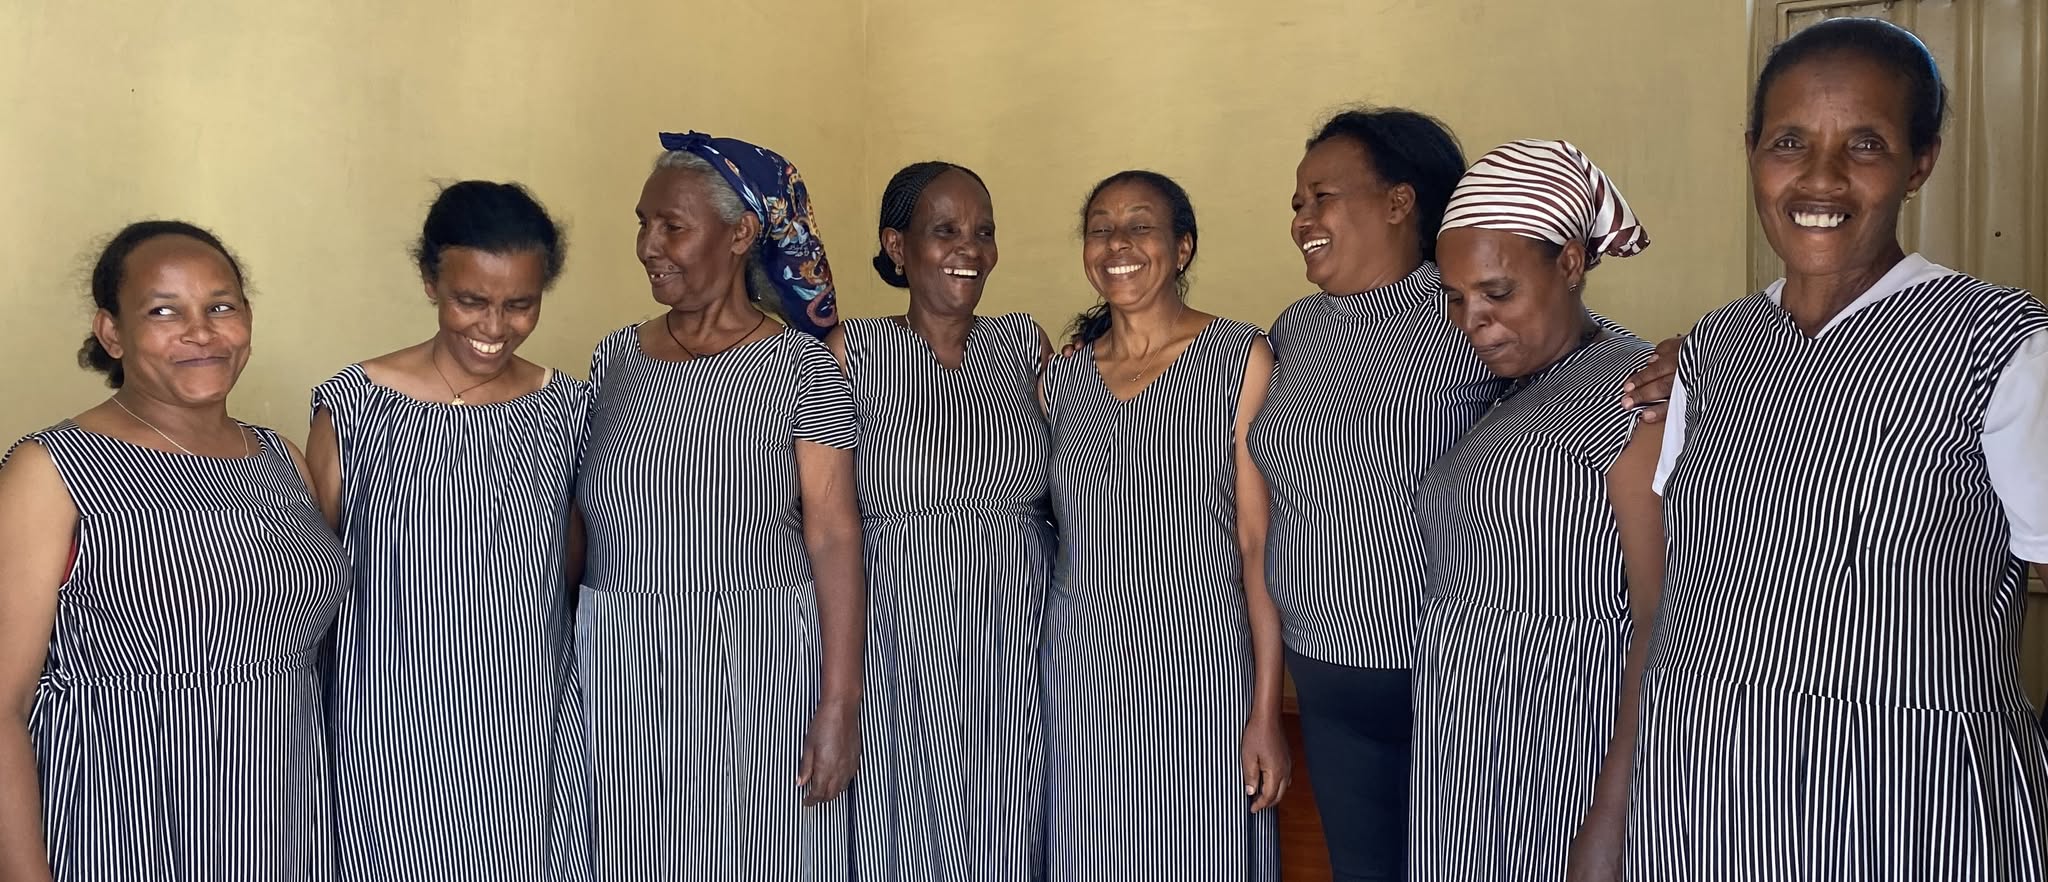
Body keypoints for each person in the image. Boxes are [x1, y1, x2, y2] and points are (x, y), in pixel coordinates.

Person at [1619, 18, 2048, 880]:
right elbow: (1672, 601)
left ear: (1921, 160)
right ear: (1751, 152)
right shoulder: (1711, 349)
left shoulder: (2002, 347)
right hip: (1697, 809)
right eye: (1789, 142)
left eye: (1867, 144)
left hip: (1916, 818)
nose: (1820, 178)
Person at [0, 222, 347, 881]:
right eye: (165, 311)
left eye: (221, 306)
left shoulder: (283, 461)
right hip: (124, 821)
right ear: (111, 333)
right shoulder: (50, 470)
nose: (202, 331)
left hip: (284, 817)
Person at [575, 131, 863, 882]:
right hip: (621, 665)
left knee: (763, 853)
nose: (647, 244)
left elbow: (834, 537)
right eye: (642, 222)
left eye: (672, 225)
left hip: (758, 660)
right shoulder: (613, 359)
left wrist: (838, 706)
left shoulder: (801, 367)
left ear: (740, 234)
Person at [305, 181, 590, 881]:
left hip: (525, 724)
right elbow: (310, 579)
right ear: (430, 280)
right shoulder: (356, 405)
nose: (495, 326)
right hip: (385, 717)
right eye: (472, 300)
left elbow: (578, 566)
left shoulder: (568, 410)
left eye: (520, 304)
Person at [1243, 107, 1501, 882]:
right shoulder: (1295, 330)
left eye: (1322, 195)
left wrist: (1669, 368)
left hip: (1452, 678)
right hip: (1324, 675)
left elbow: (1576, 372)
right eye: (1296, 203)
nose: (1303, 220)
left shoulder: (1464, 309)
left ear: (1399, 201)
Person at [1406, 139, 1663, 882]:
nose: (1472, 319)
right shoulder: (1515, 386)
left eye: (1497, 291)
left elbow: (1661, 619)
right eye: (1456, 298)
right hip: (1468, 753)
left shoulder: (1632, 395)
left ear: (1572, 263)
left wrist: (1610, 818)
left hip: (1561, 756)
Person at [1040, 170, 1284, 881]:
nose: (1117, 243)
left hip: (1197, 673)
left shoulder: (1241, 357)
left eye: (1139, 225)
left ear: (1182, 248)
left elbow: (1256, 542)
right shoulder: (1061, 379)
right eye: (1100, 228)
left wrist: (1265, 708)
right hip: (1079, 674)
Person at [829, 161, 1053, 882]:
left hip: (1019, 637)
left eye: (984, 232)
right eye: (946, 230)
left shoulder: (1023, 346)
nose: (972, 249)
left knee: (1011, 819)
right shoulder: (849, 354)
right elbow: (819, 517)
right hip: (899, 637)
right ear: (898, 247)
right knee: (909, 829)